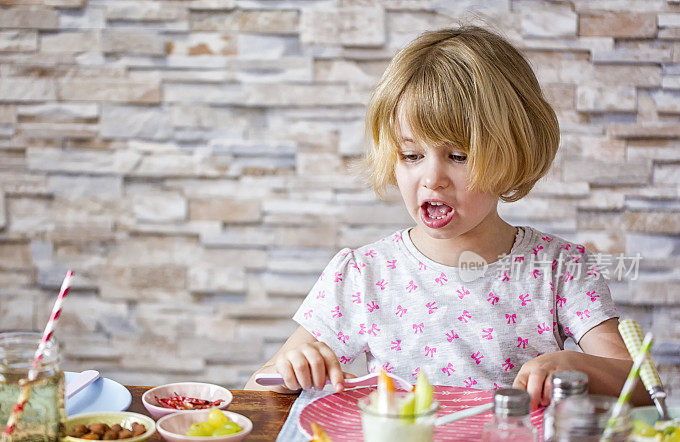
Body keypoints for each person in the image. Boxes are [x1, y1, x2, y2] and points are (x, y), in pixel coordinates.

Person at [245, 25, 649, 408]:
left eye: (458, 156)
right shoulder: (362, 275)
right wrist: (293, 370)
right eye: (411, 156)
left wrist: (573, 366)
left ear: (513, 153)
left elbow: (643, 387)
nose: (432, 179)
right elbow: (255, 392)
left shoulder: (561, 269)